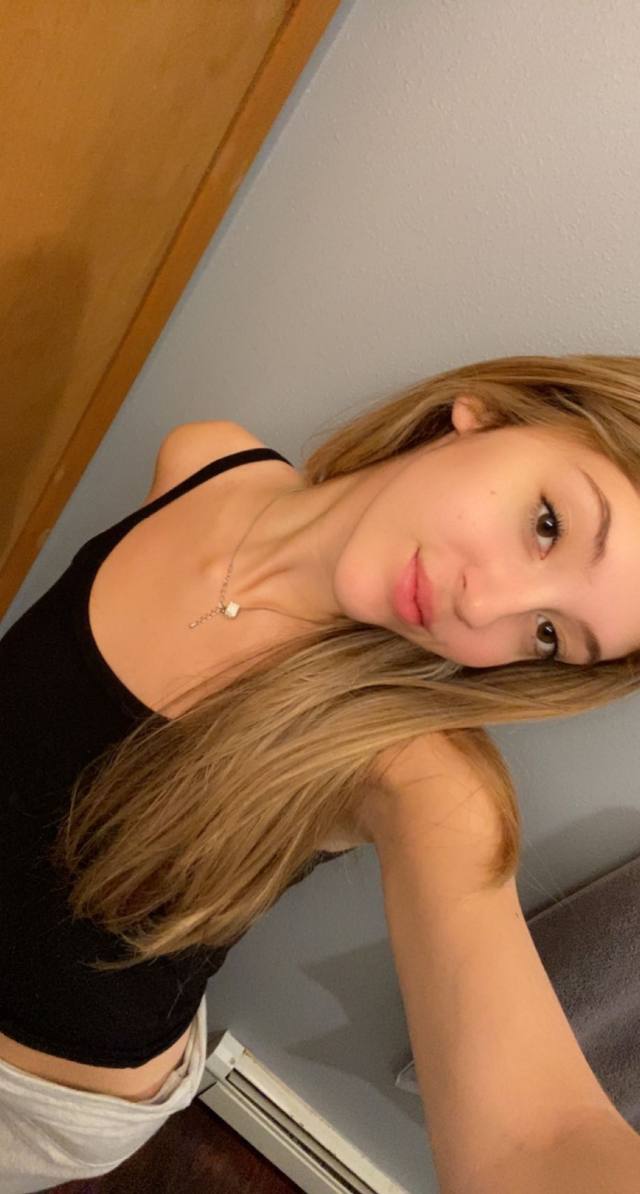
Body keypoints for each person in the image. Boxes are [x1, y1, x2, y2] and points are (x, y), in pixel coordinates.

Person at [1, 352, 640, 1192]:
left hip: (28, 1096)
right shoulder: (204, 460)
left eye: (549, 634)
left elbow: (538, 1141)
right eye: (548, 525)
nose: (485, 606)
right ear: (487, 412)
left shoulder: (408, 762)